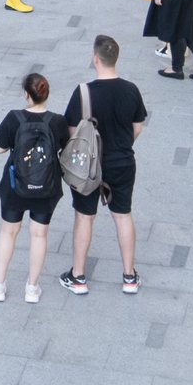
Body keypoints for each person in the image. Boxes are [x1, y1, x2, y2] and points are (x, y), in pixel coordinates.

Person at [58, 36, 146, 295]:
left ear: (95, 59)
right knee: (123, 215)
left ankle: (78, 276)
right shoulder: (131, 89)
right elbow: (137, 127)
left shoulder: (84, 92)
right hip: (122, 163)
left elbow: (73, 131)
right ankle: (129, 276)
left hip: (88, 169)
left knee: (84, 217)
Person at [0, 72, 64, 303]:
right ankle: (32, 288)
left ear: (26, 95)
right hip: (46, 185)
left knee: (8, 232)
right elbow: (63, 148)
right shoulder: (57, 121)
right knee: (39, 234)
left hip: (15, 185)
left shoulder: (14, 118)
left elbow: (0, 148)